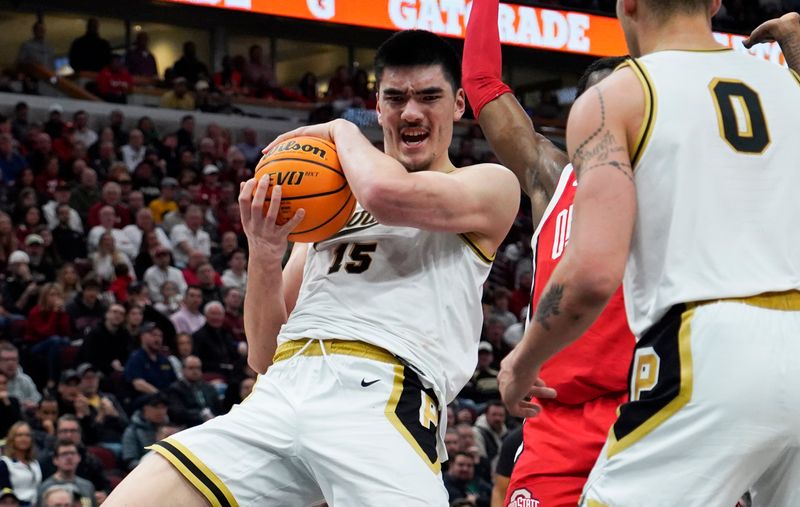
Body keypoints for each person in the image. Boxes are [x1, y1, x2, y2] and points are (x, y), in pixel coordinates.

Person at [105, 29, 518, 506]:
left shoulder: (488, 184)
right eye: (395, 98)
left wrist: (340, 128)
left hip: (383, 393)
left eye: (429, 97)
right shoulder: (332, 205)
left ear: (460, 105)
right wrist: (263, 252)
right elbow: (262, 354)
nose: (411, 112)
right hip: (284, 386)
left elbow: (387, 195)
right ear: (378, 106)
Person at [498, 2, 800, 507]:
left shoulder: (615, 97)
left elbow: (593, 273)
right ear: (715, 3)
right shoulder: (789, 89)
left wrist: (522, 362)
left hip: (709, 349)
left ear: (627, 5)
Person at [463, 1, 633, 505]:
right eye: (594, 100)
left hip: (646, 408)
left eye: (619, 99)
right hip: (551, 421)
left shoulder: (673, 179)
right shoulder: (551, 177)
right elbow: (482, 84)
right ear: (575, 116)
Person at [165, 355, 221, 427]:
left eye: (198, 368)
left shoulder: (208, 387)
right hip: (188, 426)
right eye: (191, 368)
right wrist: (201, 416)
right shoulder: (175, 389)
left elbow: (219, 409)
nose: (195, 371)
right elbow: (178, 413)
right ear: (183, 370)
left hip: (212, 423)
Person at [36, 440, 96, 507]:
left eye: (72, 453)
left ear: (79, 458)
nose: (69, 458)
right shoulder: (45, 487)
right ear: (55, 460)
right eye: (64, 454)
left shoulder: (88, 486)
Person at [0, 422, 42, 507]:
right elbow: (5, 492)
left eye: (27, 435)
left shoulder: (35, 463)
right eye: (19, 435)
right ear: (12, 439)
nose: (24, 438)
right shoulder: (5, 463)